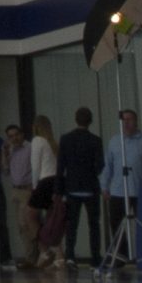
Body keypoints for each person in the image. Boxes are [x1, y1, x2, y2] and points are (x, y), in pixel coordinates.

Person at [57, 106, 103, 267]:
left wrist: (59, 190)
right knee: (94, 224)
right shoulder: (96, 140)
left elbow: (60, 166)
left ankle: (70, 255)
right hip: (90, 187)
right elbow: (100, 165)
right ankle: (95, 257)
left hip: (72, 186)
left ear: (76, 119)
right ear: (90, 121)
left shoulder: (66, 139)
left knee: (72, 224)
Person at [101, 107, 142, 267]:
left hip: (139, 190)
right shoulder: (114, 141)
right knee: (117, 224)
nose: (126, 123)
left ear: (135, 121)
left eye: (129, 119)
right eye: (123, 120)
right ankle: (120, 256)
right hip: (118, 190)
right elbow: (108, 166)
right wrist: (104, 186)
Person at [25, 115, 60, 267]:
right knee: (52, 219)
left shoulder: (37, 141)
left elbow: (35, 166)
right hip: (55, 181)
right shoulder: (52, 143)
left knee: (30, 215)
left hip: (44, 181)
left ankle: (44, 248)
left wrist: (34, 187)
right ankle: (58, 254)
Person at [1, 121, 37, 266]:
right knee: (21, 226)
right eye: (11, 136)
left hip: (27, 189)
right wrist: (5, 154)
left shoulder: (30, 148)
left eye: (16, 135)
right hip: (16, 190)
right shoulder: (10, 150)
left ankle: (33, 256)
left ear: (22, 135)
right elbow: (5, 170)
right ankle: (30, 255)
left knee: (27, 223)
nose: (14, 139)